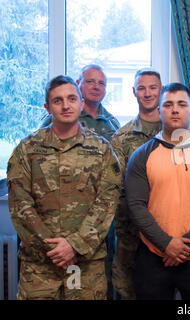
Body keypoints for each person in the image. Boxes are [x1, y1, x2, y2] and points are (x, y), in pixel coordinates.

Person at [7, 75, 121, 299]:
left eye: (71, 99)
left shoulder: (102, 150)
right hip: (39, 267)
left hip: (85, 265)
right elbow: (20, 204)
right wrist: (54, 250)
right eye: (58, 101)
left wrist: (75, 245)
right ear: (47, 107)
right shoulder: (27, 149)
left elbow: (107, 202)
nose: (66, 105)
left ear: (81, 102)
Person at [124, 83, 190, 300]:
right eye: (168, 104)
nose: (175, 110)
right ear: (159, 111)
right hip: (153, 257)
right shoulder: (142, 155)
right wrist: (166, 244)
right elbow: (135, 206)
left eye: (181, 104)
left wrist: (183, 246)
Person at [40, 64, 120, 299]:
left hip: (96, 222)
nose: (96, 86)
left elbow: (111, 180)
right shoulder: (55, 120)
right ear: (80, 84)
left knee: (98, 280)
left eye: (101, 83)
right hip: (58, 217)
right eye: (90, 81)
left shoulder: (112, 123)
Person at [110, 69, 163, 299]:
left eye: (153, 87)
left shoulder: (176, 133)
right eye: (142, 88)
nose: (148, 93)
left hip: (166, 236)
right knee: (127, 292)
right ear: (134, 92)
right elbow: (116, 188)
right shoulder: (121, 138)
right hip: (130, 237)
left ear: (161, 90)